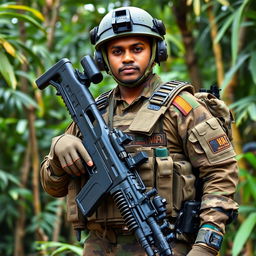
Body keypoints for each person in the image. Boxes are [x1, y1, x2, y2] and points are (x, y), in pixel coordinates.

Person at [40, 6, 239, 256]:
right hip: (101, 247)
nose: (127, 58)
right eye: (116, 51)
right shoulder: (93, 115)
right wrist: (58, 150)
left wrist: (206, 245)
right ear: (102, 59)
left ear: (156, 52)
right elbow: (53, 187)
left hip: (166, 243)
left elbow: (221, 174)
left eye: (137, 49)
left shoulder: (182, 108)